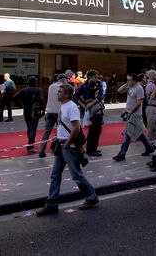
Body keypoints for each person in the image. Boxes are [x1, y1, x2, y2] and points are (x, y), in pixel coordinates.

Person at [35, 84, 98, 216]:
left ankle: (91, 197)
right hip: (62, 144)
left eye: (60, 92)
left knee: (76, 175)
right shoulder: (63, 106)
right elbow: (64, 126)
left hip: (68, 147)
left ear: (67, 94)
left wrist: (67, 144)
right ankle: (51, 204)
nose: (57, 94)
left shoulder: (71, 107)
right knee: (55, 175)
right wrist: (58, 137)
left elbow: (76, 128)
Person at [113, 73, 155, 161]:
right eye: (127, 80)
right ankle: (149, 147)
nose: (128, 81)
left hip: (134, 115)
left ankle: (122, 154)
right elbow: (119, 91)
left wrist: (131, 112)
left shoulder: (139, 88)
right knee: (140, 133)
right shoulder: (130, 87)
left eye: (129, 80)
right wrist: (127, 83)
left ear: (135, 80)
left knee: (127, 134)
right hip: (130, 113)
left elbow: (139, 103)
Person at [74, 70, 106, 157]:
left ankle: (93, 148)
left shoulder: (98, 84)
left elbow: (100, 96)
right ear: (90, 77)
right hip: (89, 110)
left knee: (97, 130)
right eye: (95, 77)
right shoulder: (83, 86)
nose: (96, 79)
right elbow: (75, 97)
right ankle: (90, 149)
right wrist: (84, 106)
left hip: (96, 109)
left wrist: (89, 105)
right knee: (93, 130)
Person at [12, 76, 45, 153]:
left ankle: (31, 140)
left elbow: (15, 97)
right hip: (35, 110)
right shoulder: (38, 90)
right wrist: (43, 109)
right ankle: (30, 145)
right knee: (33, 128)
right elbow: (41, 100)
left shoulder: (24, 90)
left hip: (26, 110)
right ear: (36, 82)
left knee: (29, 127)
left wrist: (20, 105)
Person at [39, 74, 68, 158]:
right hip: (59, 112)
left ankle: (42, 150)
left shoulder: (51, 86)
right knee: (60, 131)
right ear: (63, 79)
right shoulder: (63, 87)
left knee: (47, 132)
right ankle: (58, 149)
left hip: (50, 111)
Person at [144, 70, 156, 141]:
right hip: (152, 107)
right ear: (152, 76)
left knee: (155, 126)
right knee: (152, 126)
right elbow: (153, 96)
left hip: (155, 107)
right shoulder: (151, 85)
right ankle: (150, 143)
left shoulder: (153, 84)